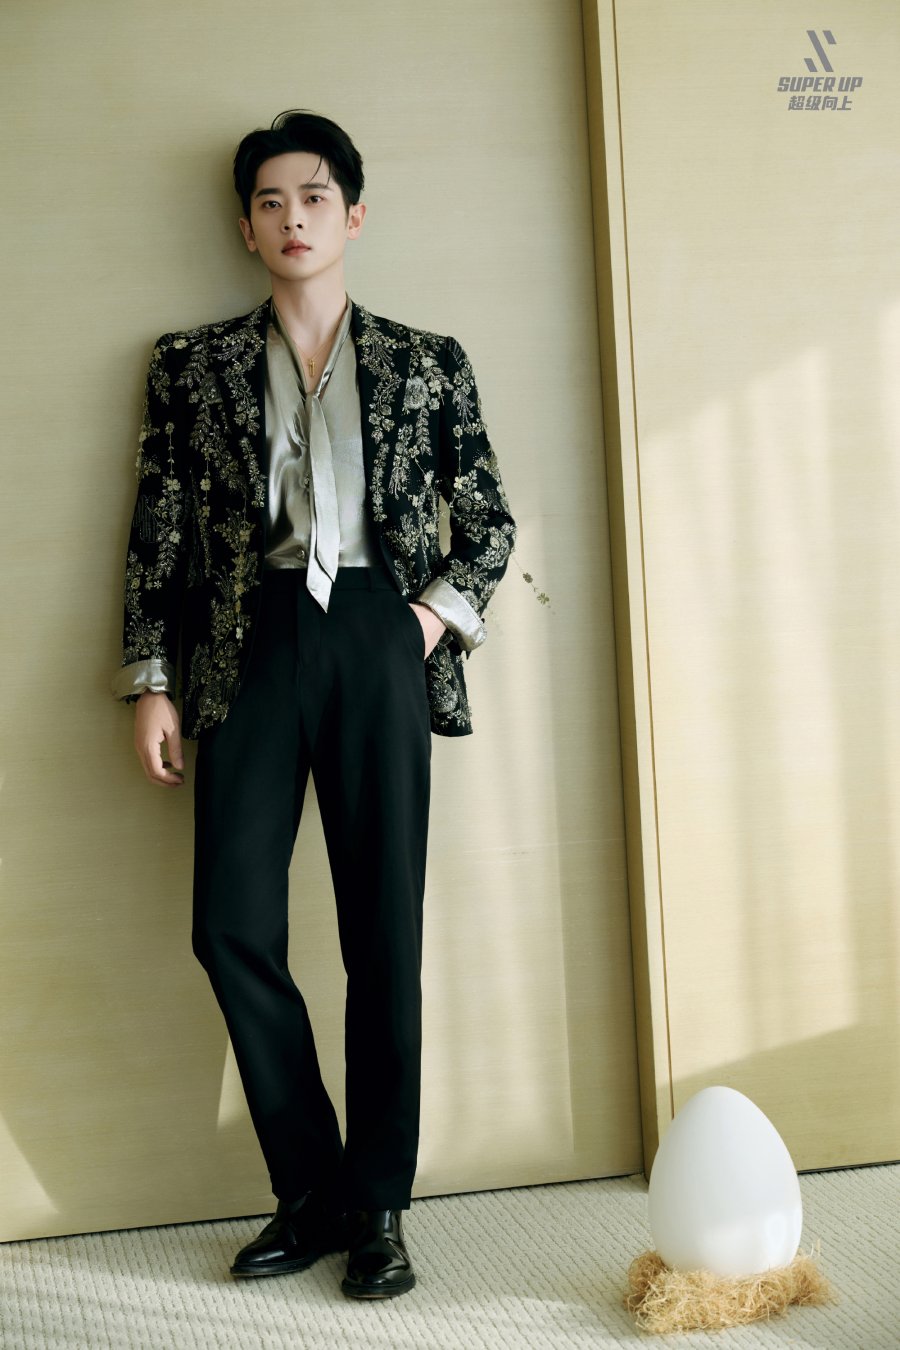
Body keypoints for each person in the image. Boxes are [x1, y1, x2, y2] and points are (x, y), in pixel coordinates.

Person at [110, 108, 517, 1299]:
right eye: (272, 201)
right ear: (247, 228)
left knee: (382, 931)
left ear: (354, 214)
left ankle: (379, 1206)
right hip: (248, 642)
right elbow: (157, 532)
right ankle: (312, 1189)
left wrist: (425, 623)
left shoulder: (426, 360)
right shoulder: (190, 367)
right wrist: (151, 681)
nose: (295, 218)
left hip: (381, 630)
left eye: (316, 196)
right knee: (229, 922)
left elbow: (489, 522)